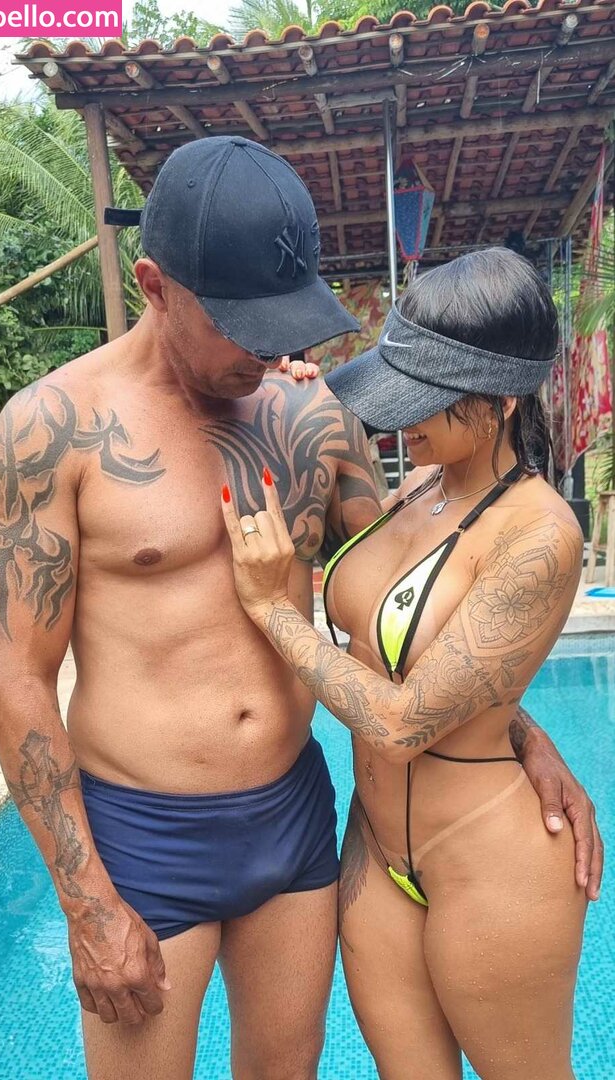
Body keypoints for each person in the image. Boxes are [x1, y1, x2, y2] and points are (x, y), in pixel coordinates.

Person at [0, 134, 599, 1080]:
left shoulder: (312, 416)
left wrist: (519, 732)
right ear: (154, 285)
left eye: (282, 321)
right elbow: (17, 678)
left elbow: (414, 608)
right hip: (147, 833)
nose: (268, 349)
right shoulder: (50, 432)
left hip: (294, 818)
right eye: (240, 323)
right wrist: (86, 900)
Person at [223, 247, 597, 1080]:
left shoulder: (538, 534)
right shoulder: (418, 487)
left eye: (425, 396)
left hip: (488, 861)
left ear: (500, 400)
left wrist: (271, 611)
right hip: (376, 849)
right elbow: (426, 661)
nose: (400, 420)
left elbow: (398, 722)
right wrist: (272, 388)